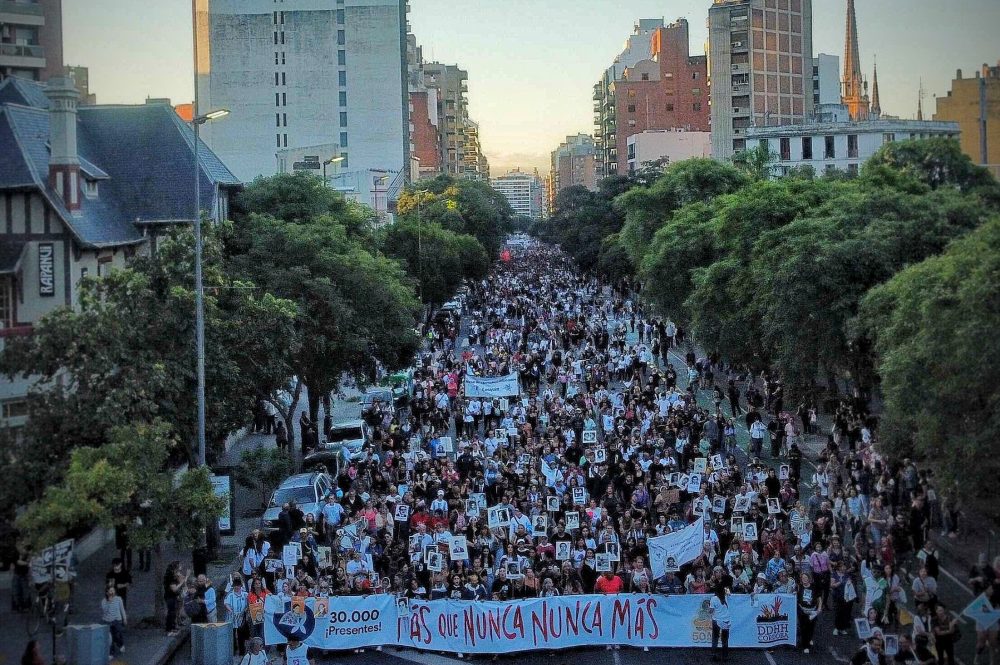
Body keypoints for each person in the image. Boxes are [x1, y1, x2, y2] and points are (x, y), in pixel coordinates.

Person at [101, 584, 127, 657]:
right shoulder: (104, 601)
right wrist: (109, 602)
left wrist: (124, 618)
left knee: (117, 635)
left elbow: (122, 609)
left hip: (117, 620)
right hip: (107, 621)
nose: (112, 592)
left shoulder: (118, 599)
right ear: (107, 592)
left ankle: (121, 644)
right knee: (110, 638)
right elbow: (105, 611)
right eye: (110, 591)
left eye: (113, 590)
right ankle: (111, 653)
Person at [709, 586, 732, 662]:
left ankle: (713, 655)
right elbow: (729, 592)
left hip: (716, 620)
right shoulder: (726, 597)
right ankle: (725, 656)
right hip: (726, 620)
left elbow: (711, 611)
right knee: (725, 640)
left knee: (715, 638)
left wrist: (708, 610)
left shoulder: (713, 599)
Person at [163, 561, 186, 635]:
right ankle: (169, 629)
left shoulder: (174, 575)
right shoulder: (170, 577)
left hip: (173, 596)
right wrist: (181, 583)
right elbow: (174, 589)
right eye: (179, 566)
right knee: (171, 612)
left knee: (173, 612)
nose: (181, 567)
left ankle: (172, 627)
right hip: (170, 596)